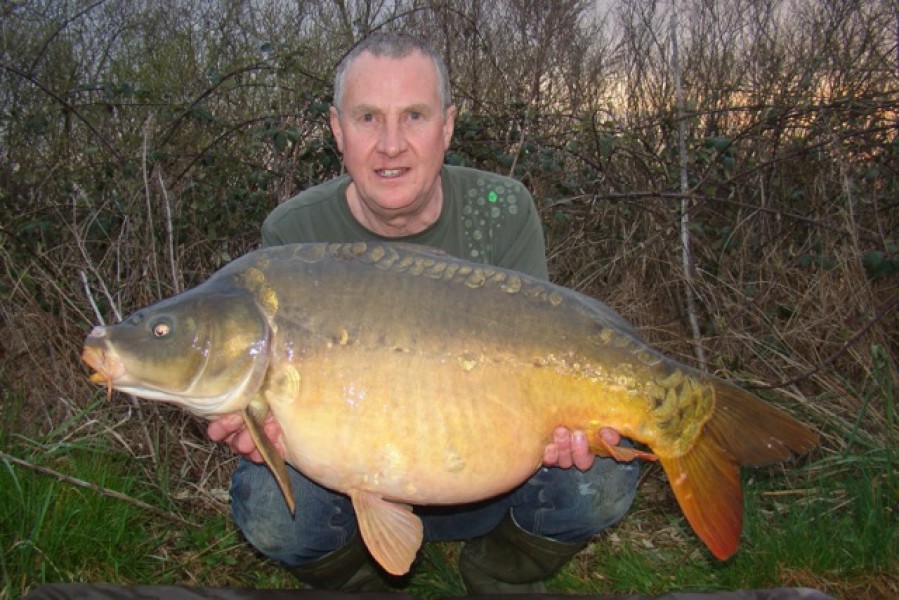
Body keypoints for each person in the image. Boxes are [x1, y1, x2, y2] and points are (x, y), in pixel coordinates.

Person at [207, 32, 638, 594]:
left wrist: (560, 428)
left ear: (447, 126)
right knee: (265, 502)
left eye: (414, 116)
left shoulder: (503, 212)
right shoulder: (294, 237)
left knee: (600, 478)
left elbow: (543, 359)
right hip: (347, 483)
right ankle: (363, 580)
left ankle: (498, 572)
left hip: (490, 479)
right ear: (337, 131)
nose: (391, 145)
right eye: (367, 118)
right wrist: (255, 421)